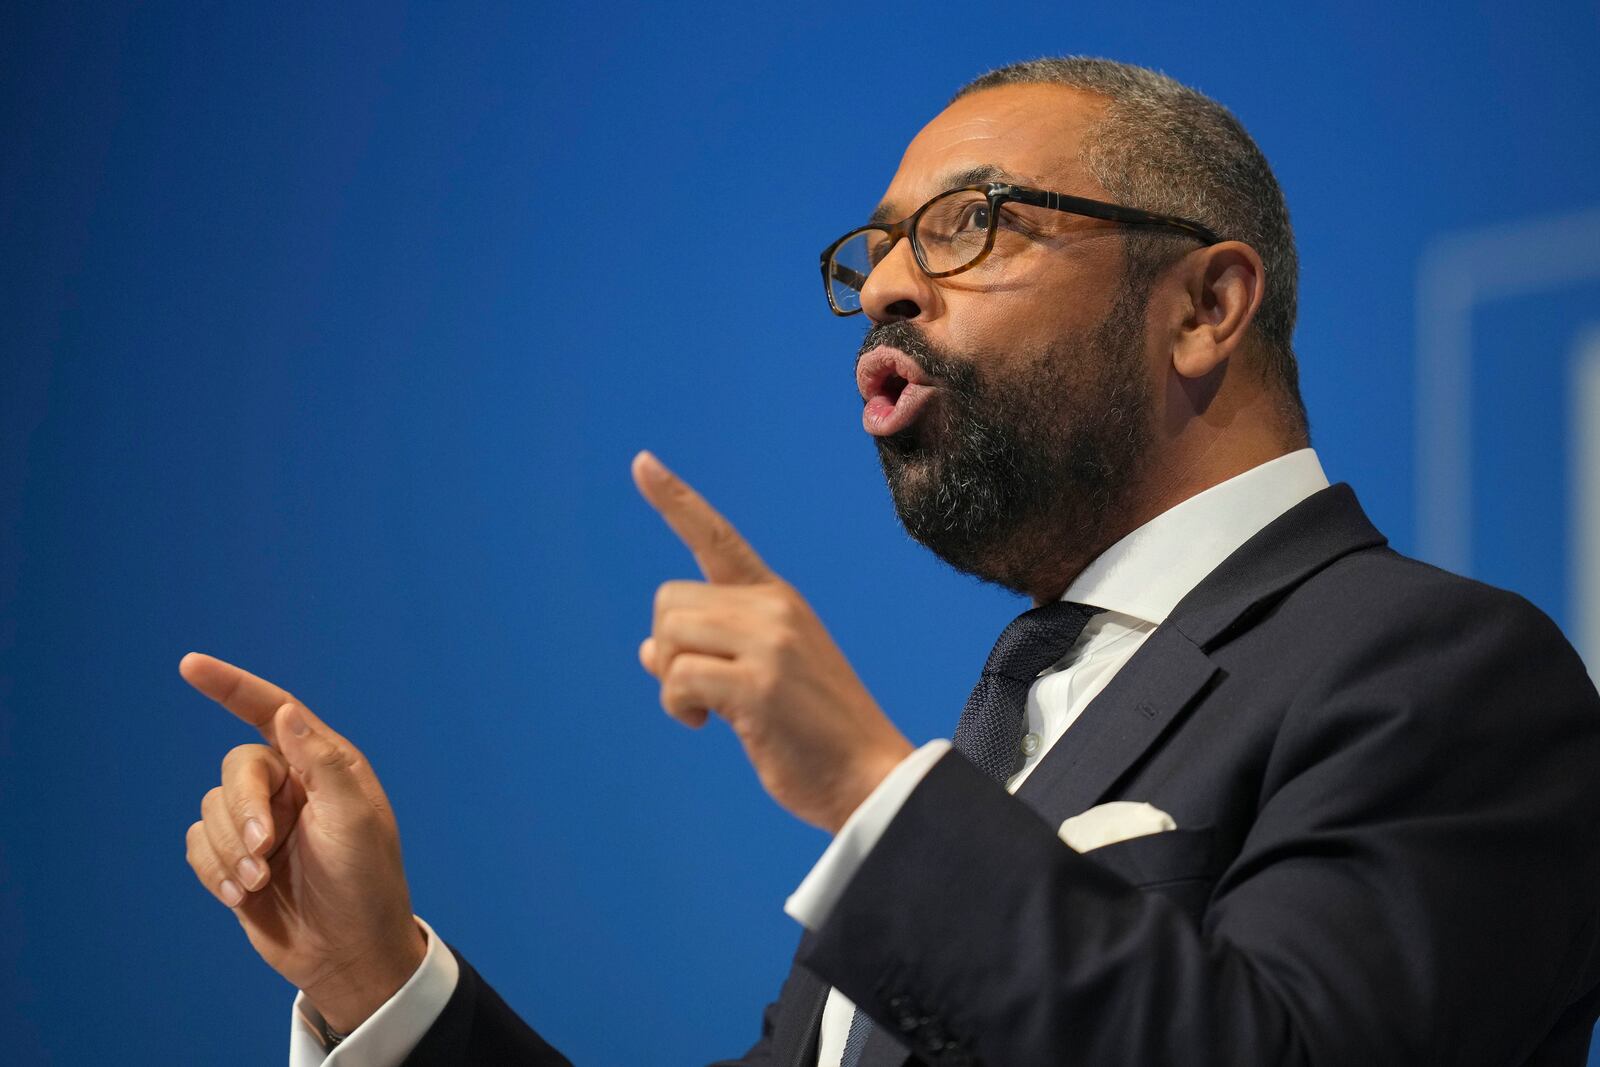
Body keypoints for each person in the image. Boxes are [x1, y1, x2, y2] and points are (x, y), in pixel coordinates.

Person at [180, 57, 1600, 1065]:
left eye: (970, 225)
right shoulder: (1011, 733)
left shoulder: (1445, 674)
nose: (892, 285)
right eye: (875, 254)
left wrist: (871, 792)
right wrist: (376, 985)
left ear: (1206, 306)